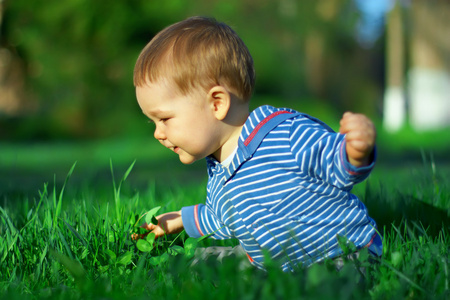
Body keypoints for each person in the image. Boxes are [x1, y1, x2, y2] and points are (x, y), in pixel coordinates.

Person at [132, 16, 382, 271]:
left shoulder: (285, 135)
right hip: (275, 264)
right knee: (200, 265)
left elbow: (337, 165)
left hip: (341, 252)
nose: (157, 133)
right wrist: (180, 221)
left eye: (163, 119)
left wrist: (356, 150)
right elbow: (223, 217)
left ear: (217, 103)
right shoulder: (220, 170)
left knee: (332, 283)